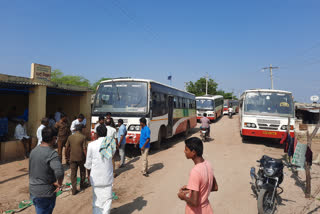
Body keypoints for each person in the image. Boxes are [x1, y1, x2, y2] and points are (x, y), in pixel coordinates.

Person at [177, 137, 218, 214]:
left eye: (186, 150)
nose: (184, 151)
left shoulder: (195, 171)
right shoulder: (208, 164)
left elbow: (194, 203)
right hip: (207, 209)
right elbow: (214, 187)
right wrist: (191, 188)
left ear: (193, 152)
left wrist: (183, 197)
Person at [29, 127, 64, 214]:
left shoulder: (33, 151)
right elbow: (59, 172)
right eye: (56, 138)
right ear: (53, 138)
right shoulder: (52, 153)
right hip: (45, 193)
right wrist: (59, 183)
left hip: (33, 190)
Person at [85, 125, 115, 214]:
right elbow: (112, 156)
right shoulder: (111, 144)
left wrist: (88, 175)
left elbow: (88, 164)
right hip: (107, 177)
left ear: (96, 134)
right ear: (106, 133)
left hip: (95, 177)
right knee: (107, 199)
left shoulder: (91, 145)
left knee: (97, 200)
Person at [66, 124, 87, 195]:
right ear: (81, 129)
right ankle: (82, 185)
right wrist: (87, 157)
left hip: (72, 157)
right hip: (81, 157)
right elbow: (84, 149)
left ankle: (74, 190)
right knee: (82, 171)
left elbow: (67, 148)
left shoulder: (70, 137)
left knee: (73, 174)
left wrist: (67, 157)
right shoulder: (83, 137)